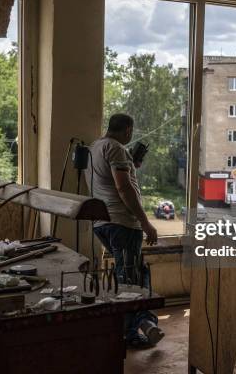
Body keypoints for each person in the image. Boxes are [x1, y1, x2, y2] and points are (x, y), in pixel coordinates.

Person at [86, 113, 164, 348]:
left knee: (134, 273)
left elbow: (109, 180)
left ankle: (141, 323)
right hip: (122, 223)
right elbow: (123, 188)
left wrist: (133, 166)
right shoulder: (117, 149)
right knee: (130, 281)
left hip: (102, 223)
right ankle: (130, 333)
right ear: (128, 130)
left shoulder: (95, 147)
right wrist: (145, 222)